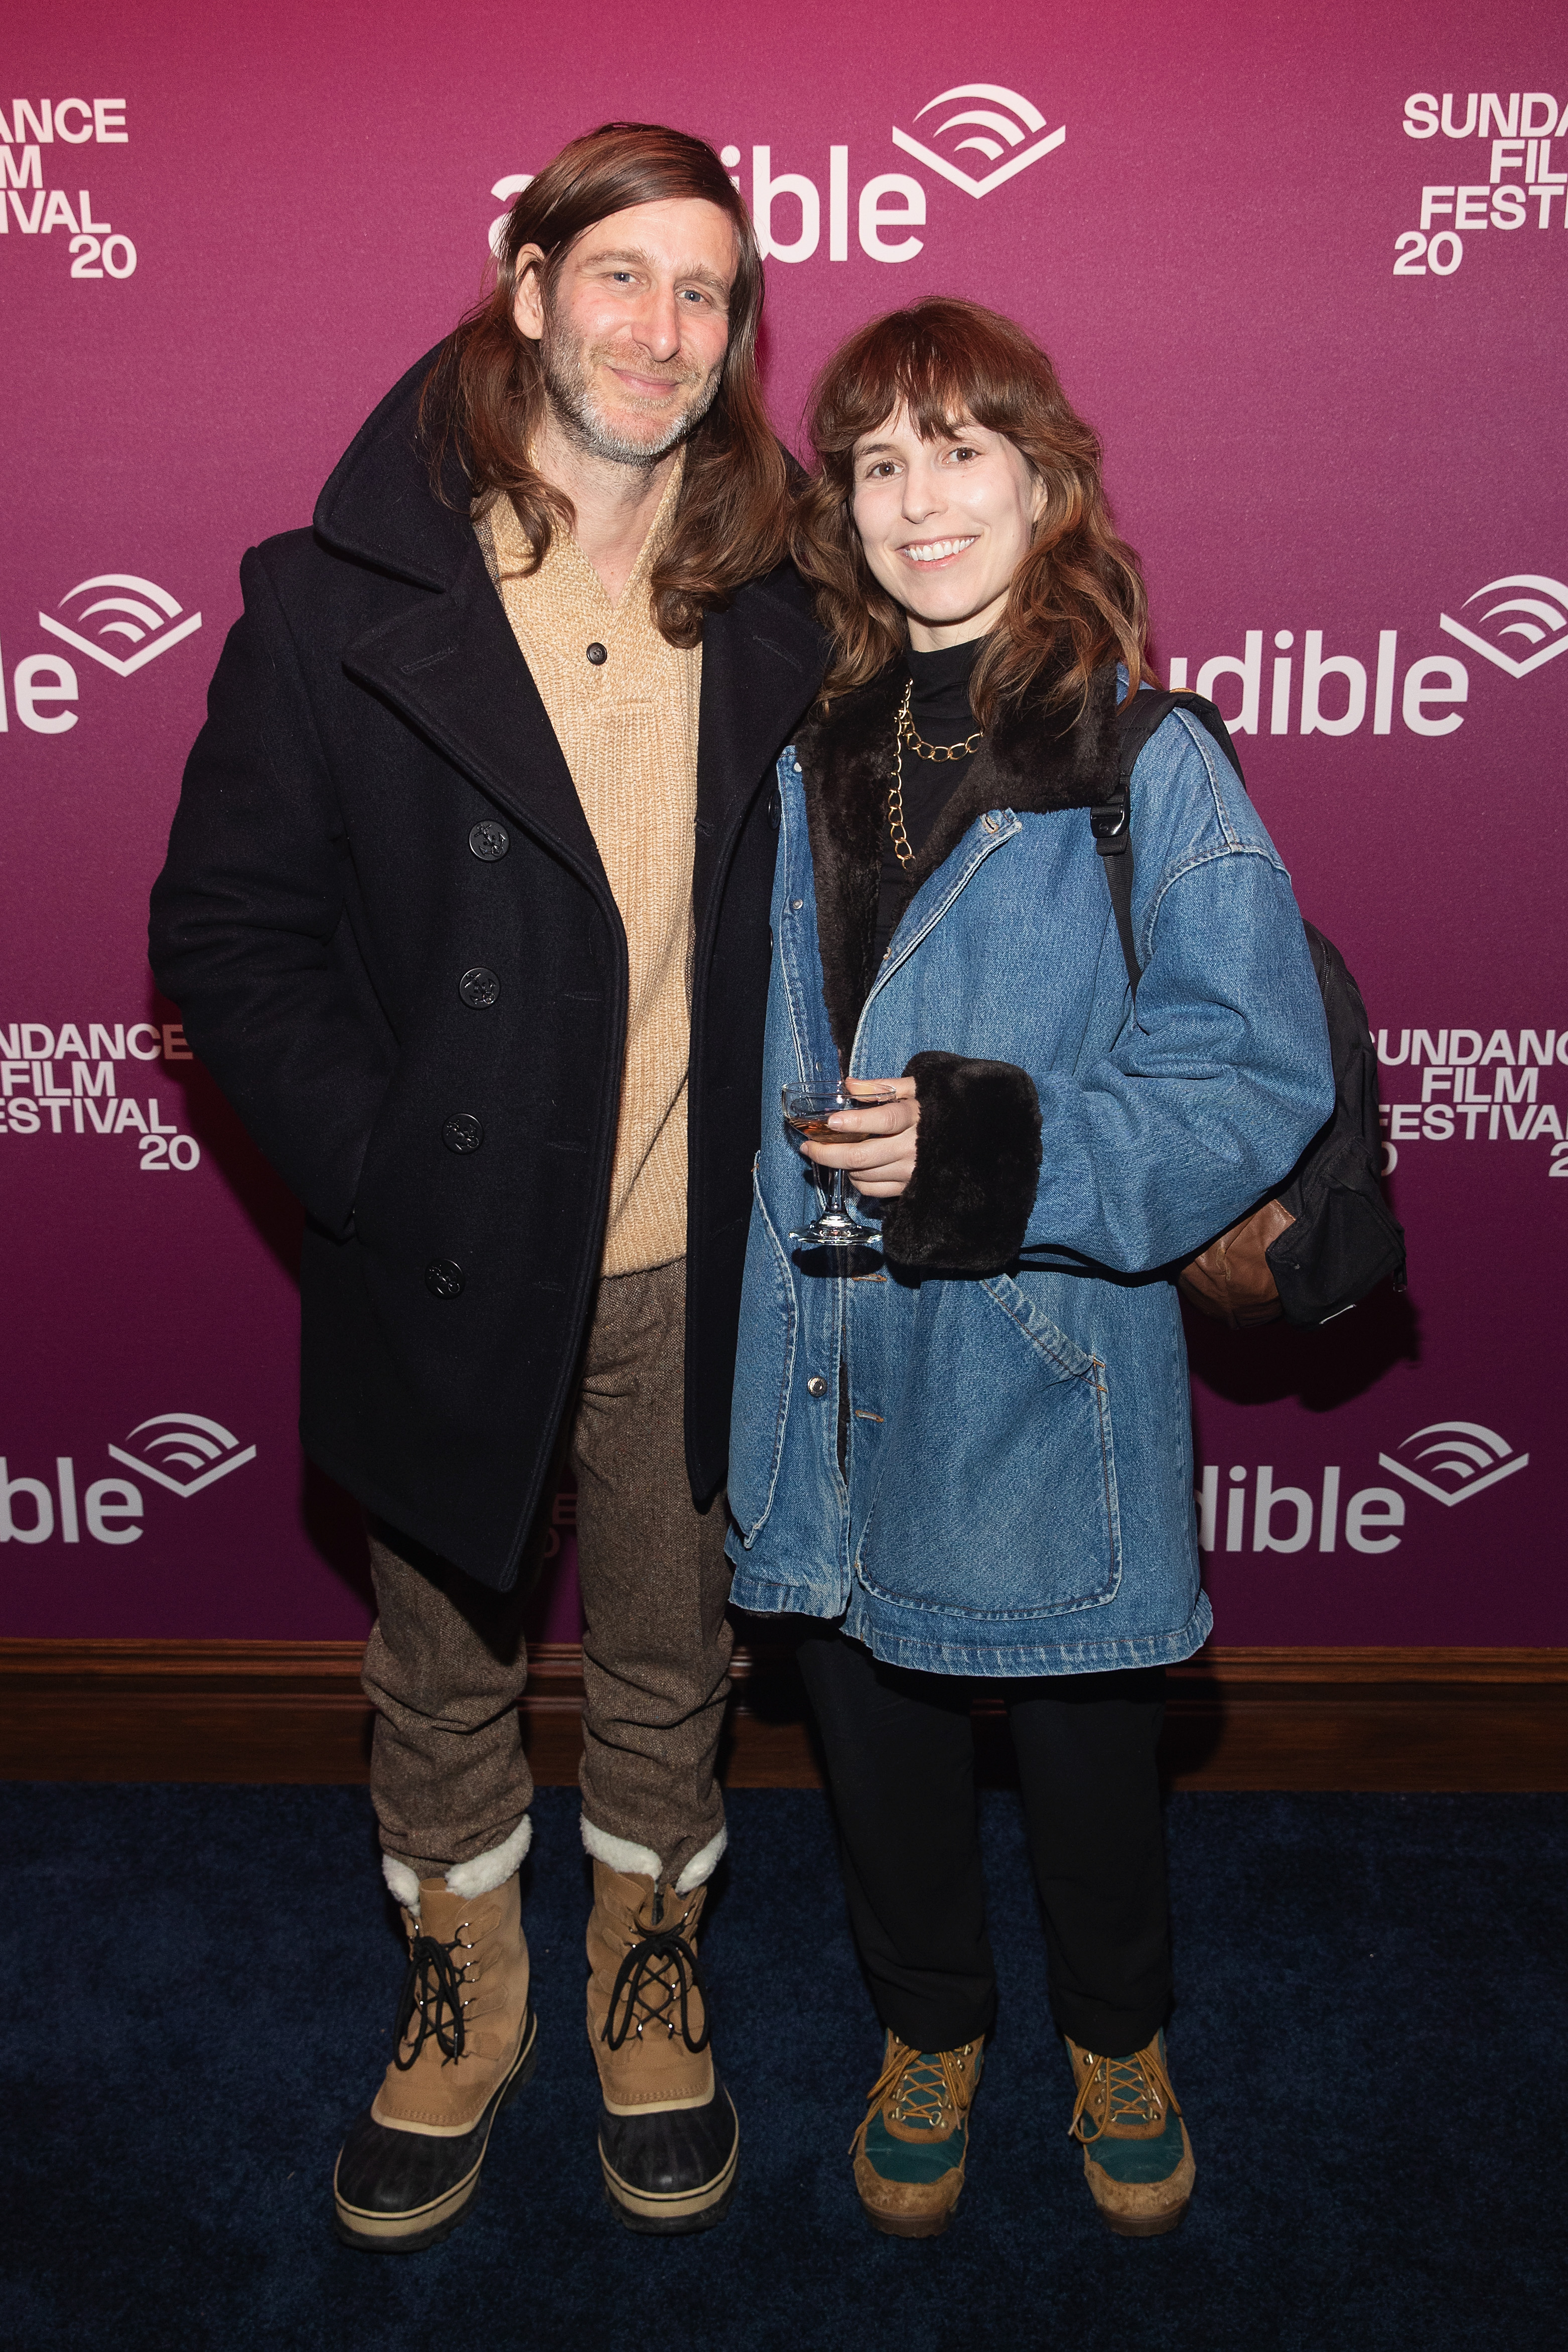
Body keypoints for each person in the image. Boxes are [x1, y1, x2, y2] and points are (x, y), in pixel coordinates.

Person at [150, 122, 826, 2248]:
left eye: (704, 291)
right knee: (438, 1662)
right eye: (618, 274)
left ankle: (645, 1965)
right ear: (527, 289)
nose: (661, 326)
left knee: (669, 1650)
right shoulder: (333, 596)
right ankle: (461, 1986)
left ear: (734, 341)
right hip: (444, 1246)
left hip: (696, 1253)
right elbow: (226, 932)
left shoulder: (788, 602)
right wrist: (372, 1170)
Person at [725, 299, 1334, 2240]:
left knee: (1082, 1735)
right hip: (819, 1340)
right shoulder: (800, 743)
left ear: (1047, 480)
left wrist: (1002, 1144)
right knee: (870, 1721)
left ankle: (1118, 2042)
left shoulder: (1145, 760)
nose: (919, 502)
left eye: (960, 452)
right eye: (878, 464)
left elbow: (1250, 1074)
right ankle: (928, 2036)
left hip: (1047, 1345)